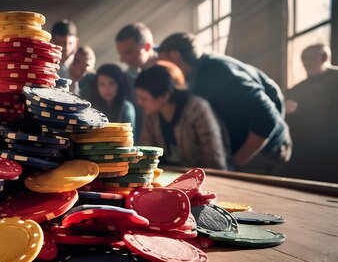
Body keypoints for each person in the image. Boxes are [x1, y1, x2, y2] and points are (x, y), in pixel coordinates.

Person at [158, 32, 291, 174]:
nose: (163, 70)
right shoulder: (196, 74)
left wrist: (236, 161)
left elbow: (267, 115)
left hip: (263, 152)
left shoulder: (218, 72)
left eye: (163, 62)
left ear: (174, 56)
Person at [135, 62, 228, 169]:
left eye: (144, 98)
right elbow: (145, 155)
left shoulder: (197, 110)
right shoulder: (151, 114)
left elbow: (214, 161)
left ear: (164, 96)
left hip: (200, 177)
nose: (139, 102)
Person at [282, 44, 338, 182]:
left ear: (324, 57)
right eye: (304, 59)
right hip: (306, 149)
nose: (307, 63)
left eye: (311, 58)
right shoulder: (297, 89)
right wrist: (285, 110)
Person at [115, 23, 158, 139]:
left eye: (128, 52)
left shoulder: (169, 69)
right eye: (120, 53)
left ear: (147, 47)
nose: (122, 59)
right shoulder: (128, 77)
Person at [86, 64, 136, 129]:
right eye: (102, 84)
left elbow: (130, 136)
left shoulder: (126, 108)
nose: (107, 88)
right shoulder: (91, 108)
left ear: (119, 84)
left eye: (111, 83)